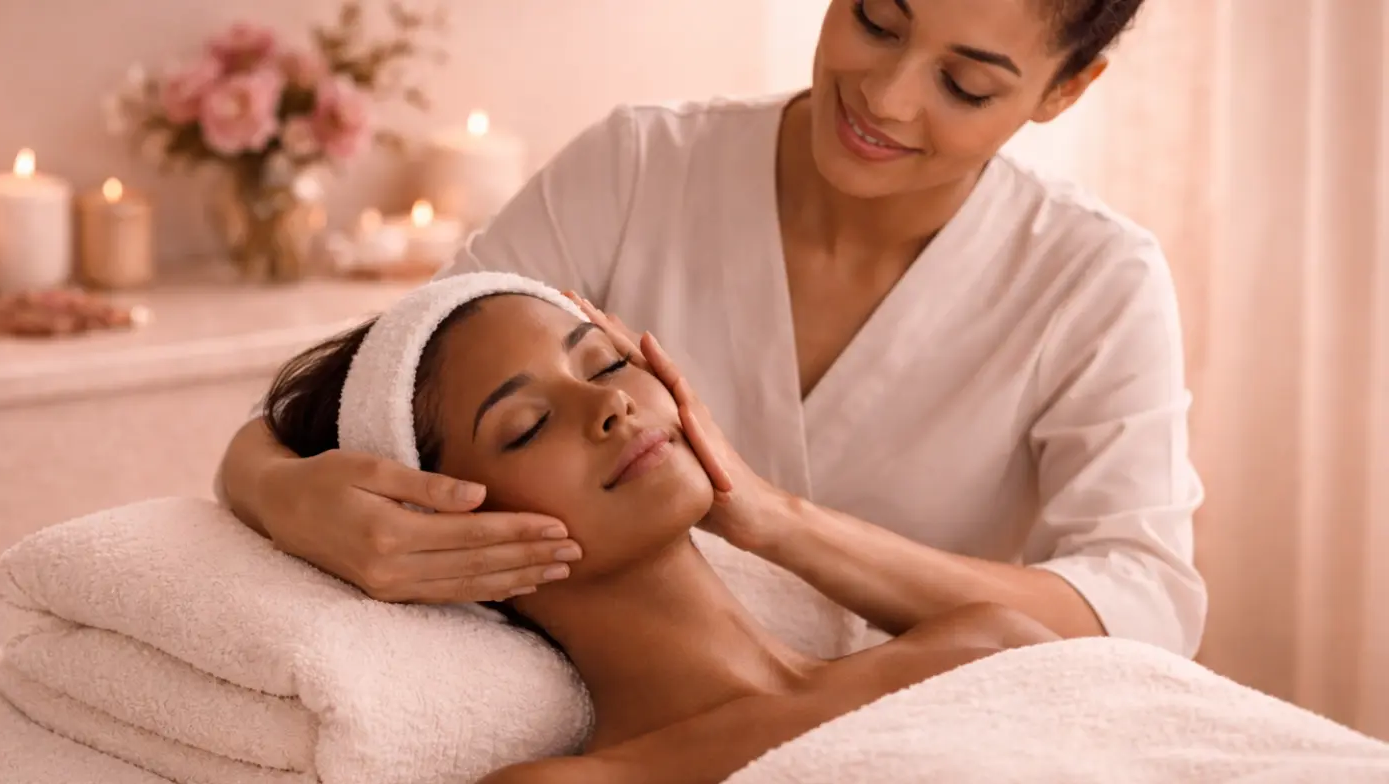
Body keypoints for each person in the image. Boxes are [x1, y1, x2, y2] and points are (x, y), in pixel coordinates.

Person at [218, 0, 1207, 656]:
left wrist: (776, 523)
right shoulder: (640, 166)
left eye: (967, 84)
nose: (885, 96)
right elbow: (384, 382)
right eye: (876, 20)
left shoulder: (1091, 278)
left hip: (915, 725)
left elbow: (1143, 603)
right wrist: (280, 489)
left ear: (1062, 92)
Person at [263, 285, 1060, 784]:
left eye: (607, 364)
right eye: (526, 425)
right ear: (440, 527)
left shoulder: (984, 646)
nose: (610, 405)